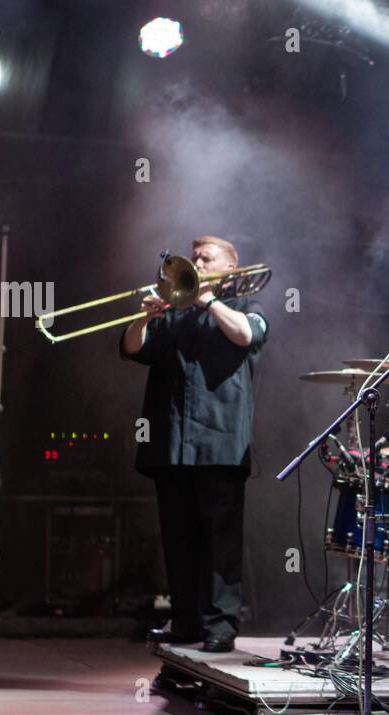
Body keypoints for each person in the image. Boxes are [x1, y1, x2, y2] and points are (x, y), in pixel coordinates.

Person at [120, 236, 269, 653]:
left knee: (220, 541)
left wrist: (206, 301)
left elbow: (245, 337)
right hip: (171, 445)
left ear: (229, 269)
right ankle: (185, 621)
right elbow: (132, 348)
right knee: (178, 538)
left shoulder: (244, 309)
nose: (197, 262)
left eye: (207, 258)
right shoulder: (172, 314)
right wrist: (144, 318)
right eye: (195, 257)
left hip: (221, 445)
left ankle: (221, 624)